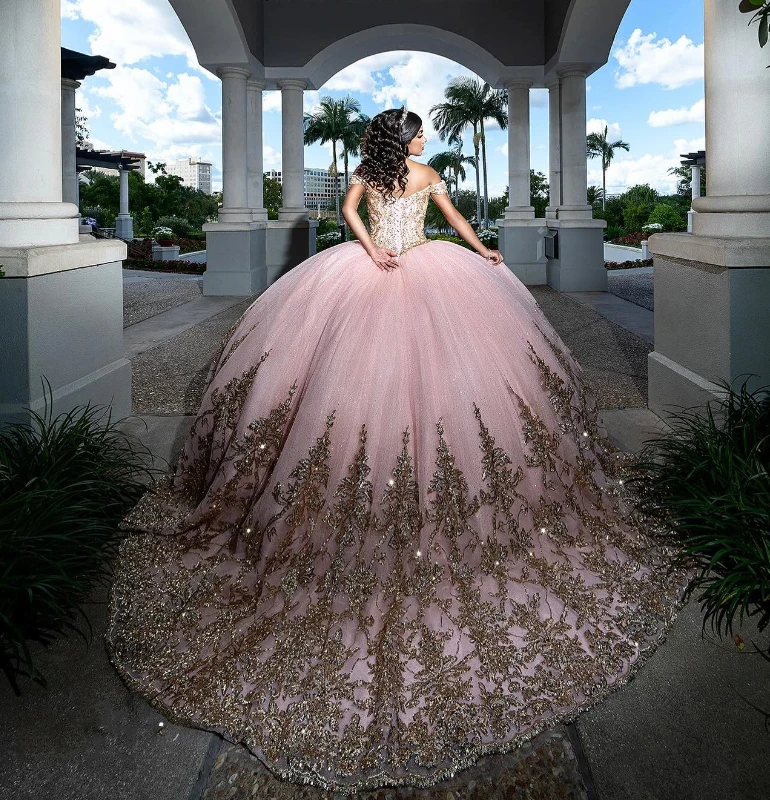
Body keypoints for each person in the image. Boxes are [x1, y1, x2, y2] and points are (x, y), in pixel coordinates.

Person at [106, 106, 687, 792]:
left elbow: (439, 218)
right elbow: (356, 212)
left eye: (421, 132)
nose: (422, 139)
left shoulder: (414, 173)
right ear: (397, 139)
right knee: (344, 392)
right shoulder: (384, 173)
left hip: (422, 273)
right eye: (415, 131)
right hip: (374, 274)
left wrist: (479, 253)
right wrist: (374, 248)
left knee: (453, 391)